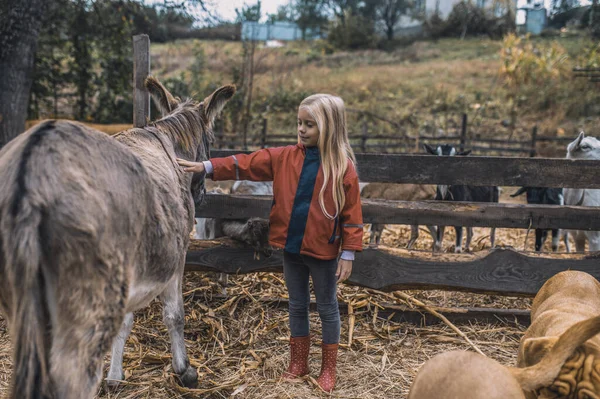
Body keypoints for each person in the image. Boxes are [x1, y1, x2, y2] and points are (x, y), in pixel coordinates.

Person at [177, 94, 363, 392]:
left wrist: (349, 252)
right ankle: (298, 364)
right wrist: (207, 167)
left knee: (328, 307)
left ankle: (328, 369)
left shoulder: (343, 168)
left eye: (310, 125)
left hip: (324, 251)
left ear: (329, 127)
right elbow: (247, 163)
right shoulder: (285, 157)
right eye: (299, 123)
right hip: (291, 249)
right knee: (297, 305)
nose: (301, 130)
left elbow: (353, 215)